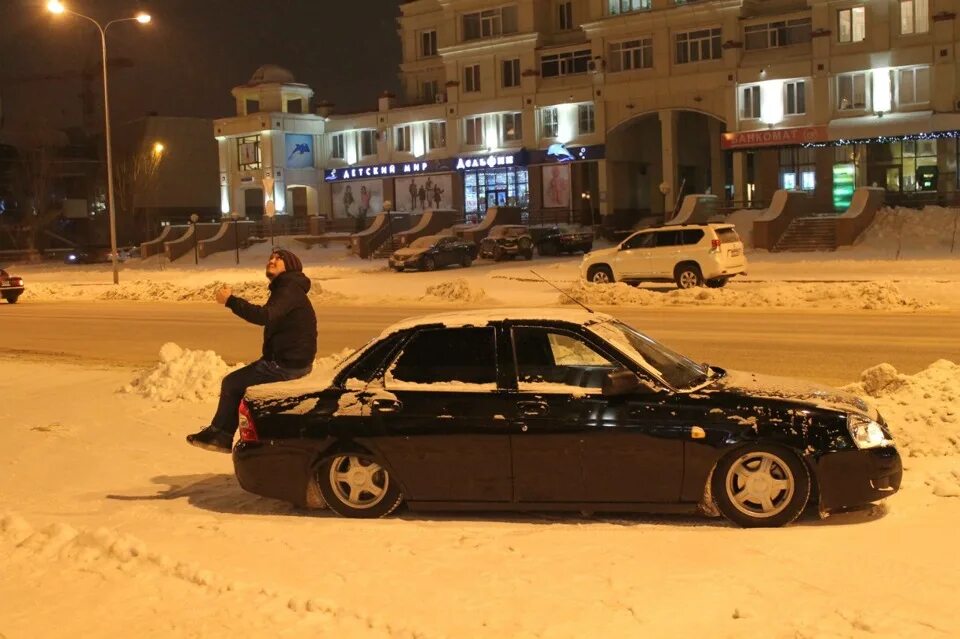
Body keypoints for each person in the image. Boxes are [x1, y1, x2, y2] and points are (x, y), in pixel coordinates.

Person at [186, 248, 317, 453]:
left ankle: (221, 435)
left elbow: (264, 316)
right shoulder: (289, 288)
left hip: (285, 365)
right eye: (271, 257)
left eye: (278, 259)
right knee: (248, 391)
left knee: (232, 383)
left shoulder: (288, 287)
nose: (272, 260)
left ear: (290, 266)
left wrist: (230, 301)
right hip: (291, 361)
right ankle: (242, 437)